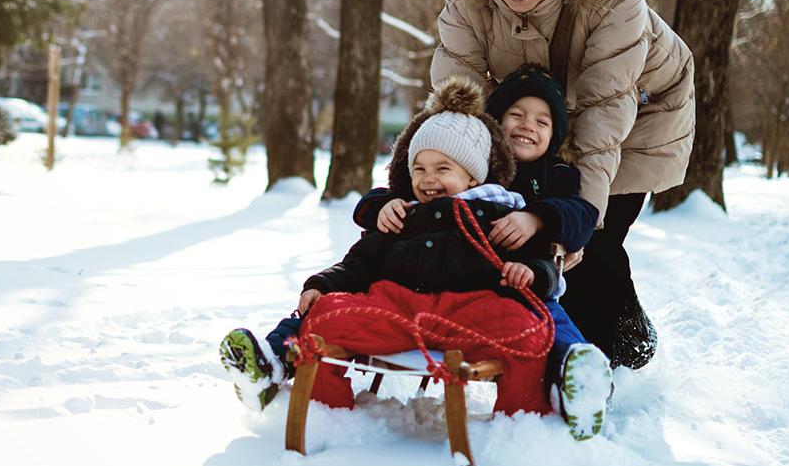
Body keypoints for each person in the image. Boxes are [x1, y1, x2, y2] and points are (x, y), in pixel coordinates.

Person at [220, 76, 612, 440]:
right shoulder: (405, 212)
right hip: (400, 310)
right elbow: (360, 261)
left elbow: (553, 242)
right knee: (326, 312)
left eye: (443, 169)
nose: (429, 178)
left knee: (535, 326)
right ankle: (327, 417)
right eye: (420, 169)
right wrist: (324, 282)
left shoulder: (502, 208)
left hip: (475, 311)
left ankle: (531, 421)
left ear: (475, 177)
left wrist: (531, 269)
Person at [431, 0, 695, 368]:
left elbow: (603, 112)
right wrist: (435, 181)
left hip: (640, 109)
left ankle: (622, 351)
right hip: (550, 113)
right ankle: (544, 345)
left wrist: (573, 224)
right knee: (524, 230)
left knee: (589, 237)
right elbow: (456, 105)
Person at [354, 65, 609, 438]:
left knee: (550, 319)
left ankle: (578, 380)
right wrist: (382, 205)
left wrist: (536, 218)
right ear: (495, 123)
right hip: (462, 281)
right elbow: (413, 190)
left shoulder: (555, 173)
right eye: (516, 115)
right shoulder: (468, 162)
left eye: (542, 121)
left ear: (554, 136)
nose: (527, 126)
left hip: (523, 276)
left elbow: (582, 215)